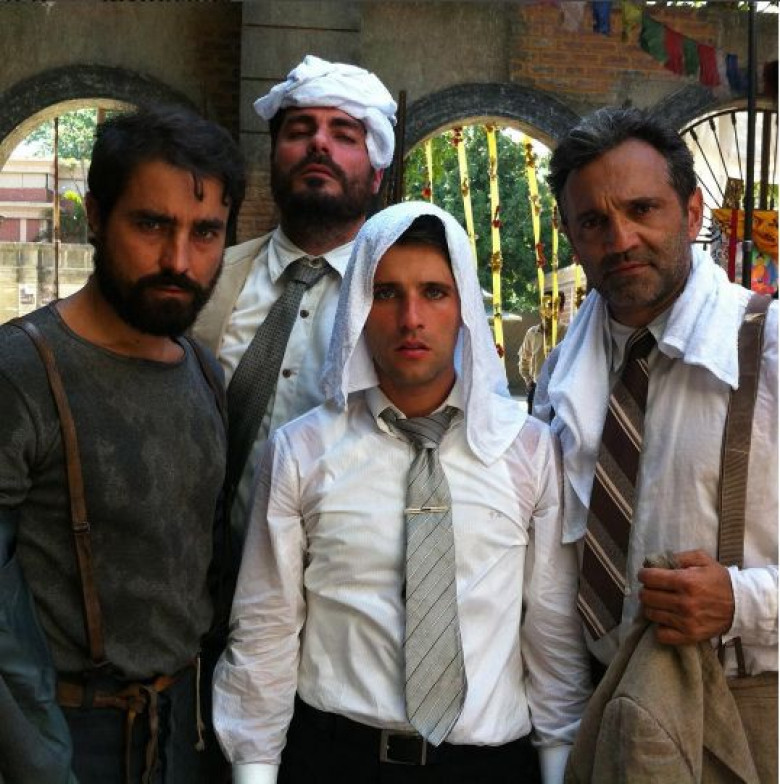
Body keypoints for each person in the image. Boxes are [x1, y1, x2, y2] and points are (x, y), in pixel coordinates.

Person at [213, 202, 591, 784]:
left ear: (464, 307)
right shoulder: (302, 451)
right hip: (336, 760)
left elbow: (551, 633)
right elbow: (266, 629)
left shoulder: (527, 450)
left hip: (489, 767)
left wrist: (560, 765)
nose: (411, 318)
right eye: (386, 293)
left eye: (434, 292)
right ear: (358, 309)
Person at [0, 105, 245, 783]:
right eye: (152, 224)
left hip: (184, 734)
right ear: (96, 217)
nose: (179, 260)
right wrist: (41, 761)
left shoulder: (204, 373)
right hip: (59, 738)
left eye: (205, 232)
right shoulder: (21, 371)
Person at [533, 107, 777, 778]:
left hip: (746, 717)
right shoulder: (559, 376)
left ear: (692, 212)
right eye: (593, 222)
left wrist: (744, 602)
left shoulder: (771, 348)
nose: (621, 239)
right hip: (603, 718)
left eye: (643, 209)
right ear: (571, 236)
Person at [193, 54, 396, 555]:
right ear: (273, 158)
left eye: (344, 135)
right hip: (204, 578)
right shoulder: (208, 279)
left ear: (376, 175)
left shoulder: (402, 299)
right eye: (300, 131)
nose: (319, 144)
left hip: (345, 584)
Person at [518, 292, 566, 413]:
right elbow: (524, 359)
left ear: (561, 310)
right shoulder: (532, 333)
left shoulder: (568, 332)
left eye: (553, 307)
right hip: (536, 389)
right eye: (545, 306)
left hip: (558, 391)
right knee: (534, 423)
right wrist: (529, 381)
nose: (548, 311)